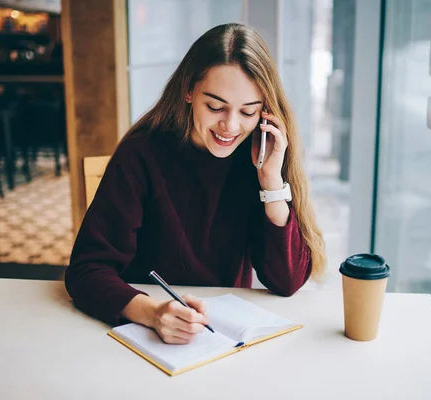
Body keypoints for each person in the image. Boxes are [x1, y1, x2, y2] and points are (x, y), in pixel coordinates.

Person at [65, 23, 326, 344]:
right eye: (215, 106)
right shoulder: (141, 152)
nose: (230, 126)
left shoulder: (259, 157)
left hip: (220, 338)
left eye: (247, 112)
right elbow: (86, 270)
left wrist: (271, 182)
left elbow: (287, 281)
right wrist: (153, 312)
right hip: (143, 335)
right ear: (188, 90)